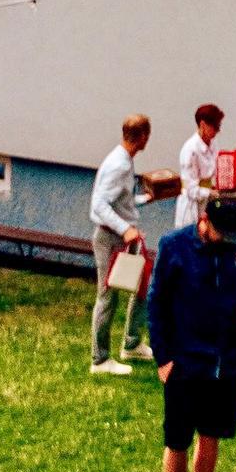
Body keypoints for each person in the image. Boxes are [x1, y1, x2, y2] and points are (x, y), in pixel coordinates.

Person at [144, 191, 236, 472]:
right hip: (184, 361)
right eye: (220, 232)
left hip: (226, 362)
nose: (225, 239)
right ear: (203, 222)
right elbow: (156, 304)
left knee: (211, 434)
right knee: (177, 439)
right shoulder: (174, 246)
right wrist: (164, 359)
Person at [88, 115, 157, 375]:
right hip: (110, 239)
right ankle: (100, 360)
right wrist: (125, 229)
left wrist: (143, 200)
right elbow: (99, 204)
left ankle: (132, 343)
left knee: (142, 287)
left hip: (124, 237)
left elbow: (120, 200)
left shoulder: (124, 160)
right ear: (143, 137)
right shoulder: (119, 165)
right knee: (107, 297)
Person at [174, 101, 229, 218]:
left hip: (209, 201)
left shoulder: (213, 143)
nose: (218, 131)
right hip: (192, 205)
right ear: (203, 125)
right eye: (215, 127)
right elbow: (190, 189)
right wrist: (210, 193)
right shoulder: (190, 150)